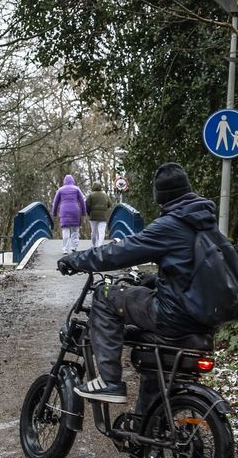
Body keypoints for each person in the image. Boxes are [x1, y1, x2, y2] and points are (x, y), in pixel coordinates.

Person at [56, 162, 213, 405]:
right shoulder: (206, 224)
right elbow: (188, 269)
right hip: (202, 317)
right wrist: (153, 280)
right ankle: (148, 424)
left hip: (174, 315)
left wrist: (76, 260)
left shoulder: (171, 225)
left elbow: (120, 252)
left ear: (161, 197)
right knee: (145, 346)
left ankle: (110, 382)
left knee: (105, 294)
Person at [52, 174, 87, 254]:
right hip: (75, 211)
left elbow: (55, 203)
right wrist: (84, 212)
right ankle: (74, 247)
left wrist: (54, 213)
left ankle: (65, 249)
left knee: (65, 231)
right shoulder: (76, 189)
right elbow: (82, 201)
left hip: (64, 211)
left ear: (64, 181)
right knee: (75, 230)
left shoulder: (60, 190)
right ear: (73, 181)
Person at [85, 181, 113, 247]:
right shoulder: (105, 195)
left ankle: (93, 245)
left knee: (94, 232)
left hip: (93, 216)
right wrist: (105, 209)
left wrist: (89, 213)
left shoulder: (91, 195)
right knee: (101, 232)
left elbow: (87, 205)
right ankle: (100, 245)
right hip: (103, 216)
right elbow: (110, 204)